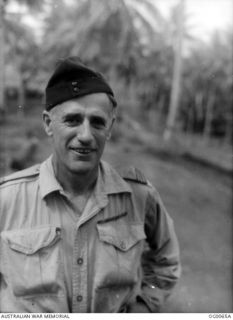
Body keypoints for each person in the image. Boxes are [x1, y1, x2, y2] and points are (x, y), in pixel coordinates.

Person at [0, 56, 181, 313]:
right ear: (48, 124)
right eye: (72, 120)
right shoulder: (7, 199)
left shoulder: (139, 196)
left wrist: (145, 305)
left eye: (97, 122)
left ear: (110, 128)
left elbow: (166, 260)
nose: (85, 136)